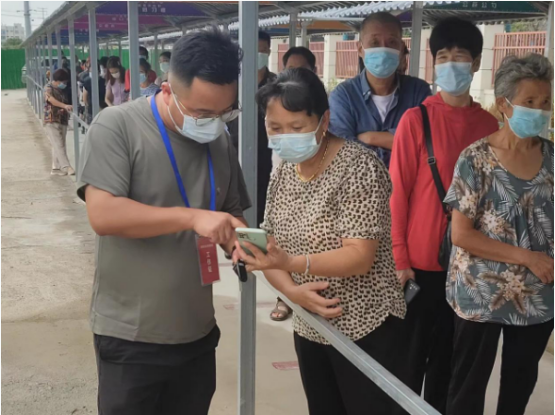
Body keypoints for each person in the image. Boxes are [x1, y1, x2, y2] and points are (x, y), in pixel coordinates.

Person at [77, 27, 250, 415]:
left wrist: (241, 242)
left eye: (225, 112)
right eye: (202, 113)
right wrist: (191, 217)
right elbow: (102, 213)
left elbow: (230, 212)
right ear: (167, 89)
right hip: (132, 336)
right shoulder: (117, 126)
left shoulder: (219, 139)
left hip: (197, 332)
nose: (215, 122)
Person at [235, 68, 406, 415]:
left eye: (296, 127)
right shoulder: (284, 171)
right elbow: (272, 248)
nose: (285, 137)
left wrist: (292, 264)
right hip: (310, 324)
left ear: (324, 120)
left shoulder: (358, 168)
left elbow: (360, 256)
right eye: (275, 128)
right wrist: (292, 292)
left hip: (365, 325)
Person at [389, 18, 500, 413]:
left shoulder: (490, 126)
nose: (451, 64)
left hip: (470, 269)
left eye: (460, 56)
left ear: (476, 63)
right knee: (408, 362)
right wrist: (399, 259)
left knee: (449, 366)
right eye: (443, 57)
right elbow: (397, 194)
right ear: (433, 62)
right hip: (420, 266)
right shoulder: (415, 120)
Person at [444, 53, 554, 415]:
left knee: (519, 387)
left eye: (546, 102)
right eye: (529, 102)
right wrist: (527, 257)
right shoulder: (475, 159)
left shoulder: (552, 158)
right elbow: (461, 235)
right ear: (504, 104)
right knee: (467, 388)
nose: (539, 110)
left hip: (537, 296)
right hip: (481, 294)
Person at [329, 12, 431, 168]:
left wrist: (370, 138)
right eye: (375, 42)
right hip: (360, 184)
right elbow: (343, 154)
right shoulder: (343, 96)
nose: (383, 49)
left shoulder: (418, 91)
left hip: (408, 185)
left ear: (401, 48)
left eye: (392, 42)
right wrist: (399, 144)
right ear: (360, 49)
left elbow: (426, 144)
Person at [44, 69, 75, 176]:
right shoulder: (48, 88)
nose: (64, 84)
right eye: (63, 82)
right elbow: (50, 100)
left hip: (63, 119)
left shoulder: (64, 89)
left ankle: (56, 168)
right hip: (52, 119)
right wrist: (64, 106)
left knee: (59, 144)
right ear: (57, 81)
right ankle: (66, 166)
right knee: (59, 144)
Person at [82, 58, 107, 124]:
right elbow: (84, 98)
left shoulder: (103, 81)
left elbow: (84, 98)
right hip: (97, 108)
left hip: (98, 108)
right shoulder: (88, 81)